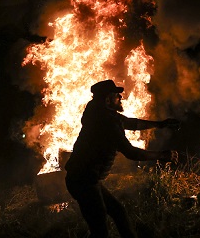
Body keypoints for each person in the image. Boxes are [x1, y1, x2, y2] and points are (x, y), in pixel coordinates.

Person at [65, 79, 180, 238]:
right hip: (83, 180)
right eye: (116, 95)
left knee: (118, 212)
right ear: (107, 99)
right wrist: (161, 155)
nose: (121, 97)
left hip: (86, 178)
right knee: (99, 229)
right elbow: (131, 153)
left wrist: (160, 124)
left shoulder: (101, 113)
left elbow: (131, 123)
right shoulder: (107, 123)